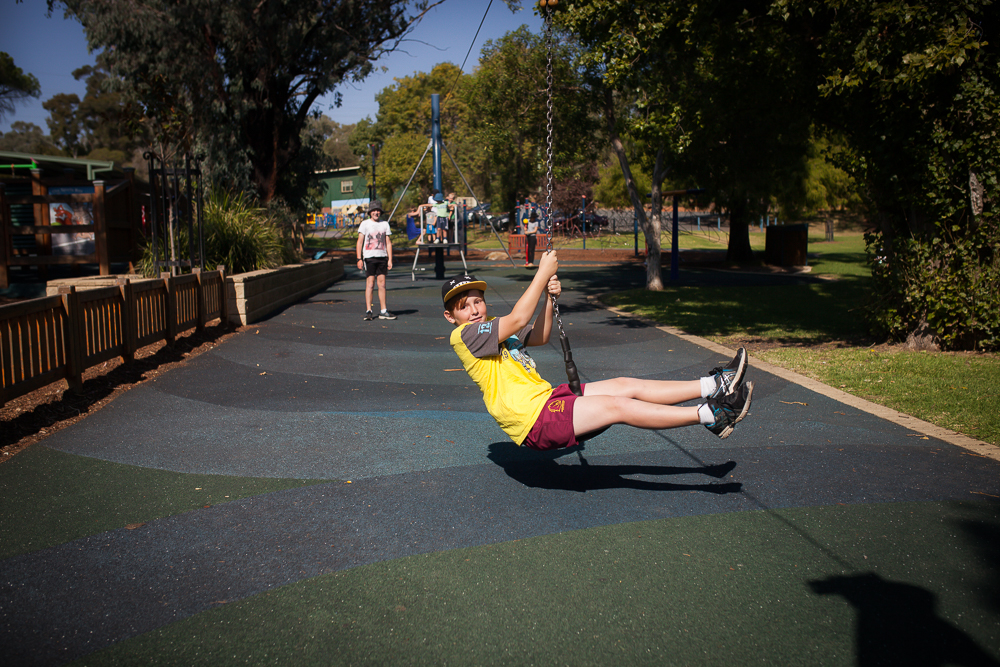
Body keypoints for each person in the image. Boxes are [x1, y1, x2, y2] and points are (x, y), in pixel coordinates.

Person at [441, 251, 753, 450]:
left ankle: (715, 385)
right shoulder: (464, 336)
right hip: (533, 419)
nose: (474, 309)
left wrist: (550, 299)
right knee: (617, 405)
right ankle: (711, 415)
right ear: (450, 316)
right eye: (463, 306)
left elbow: (538, 335)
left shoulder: (493, 326)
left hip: (547, 399)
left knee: (625, 384)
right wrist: (541, 273)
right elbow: (520, 317)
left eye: (477, 301)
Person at [355, 200, 397, 320]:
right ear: (370, 212)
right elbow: (360, 242)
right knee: (370, 284)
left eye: (378, 210)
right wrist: (359, 258)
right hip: (369, 257)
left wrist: (390, 259)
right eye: (374, 210)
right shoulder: (365, 224)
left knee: (382, 284)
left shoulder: (385, 224)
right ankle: (369, 310)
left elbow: (388, 243)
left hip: (382, 256)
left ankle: (383, 310)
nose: (376, 212)